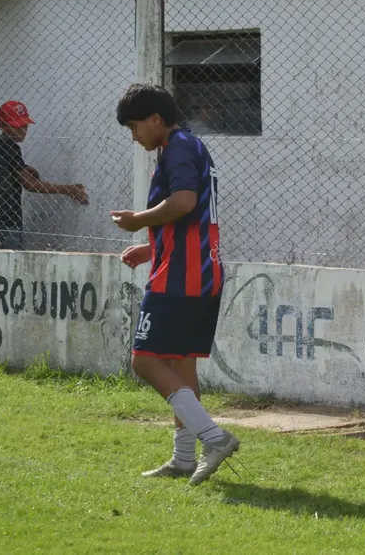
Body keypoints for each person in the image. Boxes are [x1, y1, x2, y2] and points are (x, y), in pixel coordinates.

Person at [111, 83, 238, 486]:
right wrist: (150, 249)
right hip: (202, 271)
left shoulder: (179, 147)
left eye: (134, 127)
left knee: (145, 361)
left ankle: (214, 439)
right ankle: (183, 459)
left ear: (155, 119)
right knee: (182, 367)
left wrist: (138, 219)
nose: (134, 136)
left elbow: (182, 202)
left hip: (181, 276)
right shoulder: (190, 146)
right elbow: (193, 215)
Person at [0, 100, 89, 250]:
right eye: (16, 126)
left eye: (24, 125)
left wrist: (24, 168)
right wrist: (70, 190)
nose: (22, 130)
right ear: (2, 126)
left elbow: (8, 169)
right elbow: (31, 185)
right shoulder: (9, 145)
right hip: (8, 222)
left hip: (0, 219)